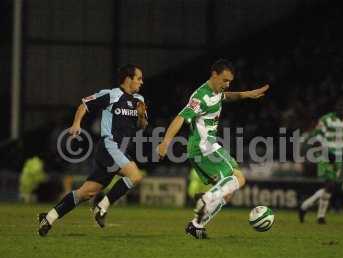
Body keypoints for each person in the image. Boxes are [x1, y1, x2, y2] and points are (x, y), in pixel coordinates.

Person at [157, 59, 269, 239]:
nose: (227, 84)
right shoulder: (200, 97)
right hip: (204, 147)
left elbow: (226, 96)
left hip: (206, 146)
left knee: (228, 193)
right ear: (214, 75)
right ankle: (206, 199)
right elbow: (180, 118)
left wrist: (246, 94)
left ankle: (196, 225)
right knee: (239, 178)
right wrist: (165, 142)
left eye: (230, 81)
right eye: (225, 80)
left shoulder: (217, 91)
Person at [38, 64, 148, 236]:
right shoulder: (111, 94)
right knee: (135, 175)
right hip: (110, 146)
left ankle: (49, 217)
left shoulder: (139, 99)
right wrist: (76, 123)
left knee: (86, 192)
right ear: (128, 79)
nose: (141, 82)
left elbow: (142, 126)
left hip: (120, 151)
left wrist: (141, 115)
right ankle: (101, 207)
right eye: (139, 78)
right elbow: (84, 104)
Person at [299, 98, 343, 224]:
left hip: (339, 156)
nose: (341, 108)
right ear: (335, 107)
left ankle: (306, 206)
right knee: (330, 184)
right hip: (326, 155)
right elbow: (318, 136)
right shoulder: (326, 120)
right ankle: (320, 216)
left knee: (330, 187)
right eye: (339, 106)